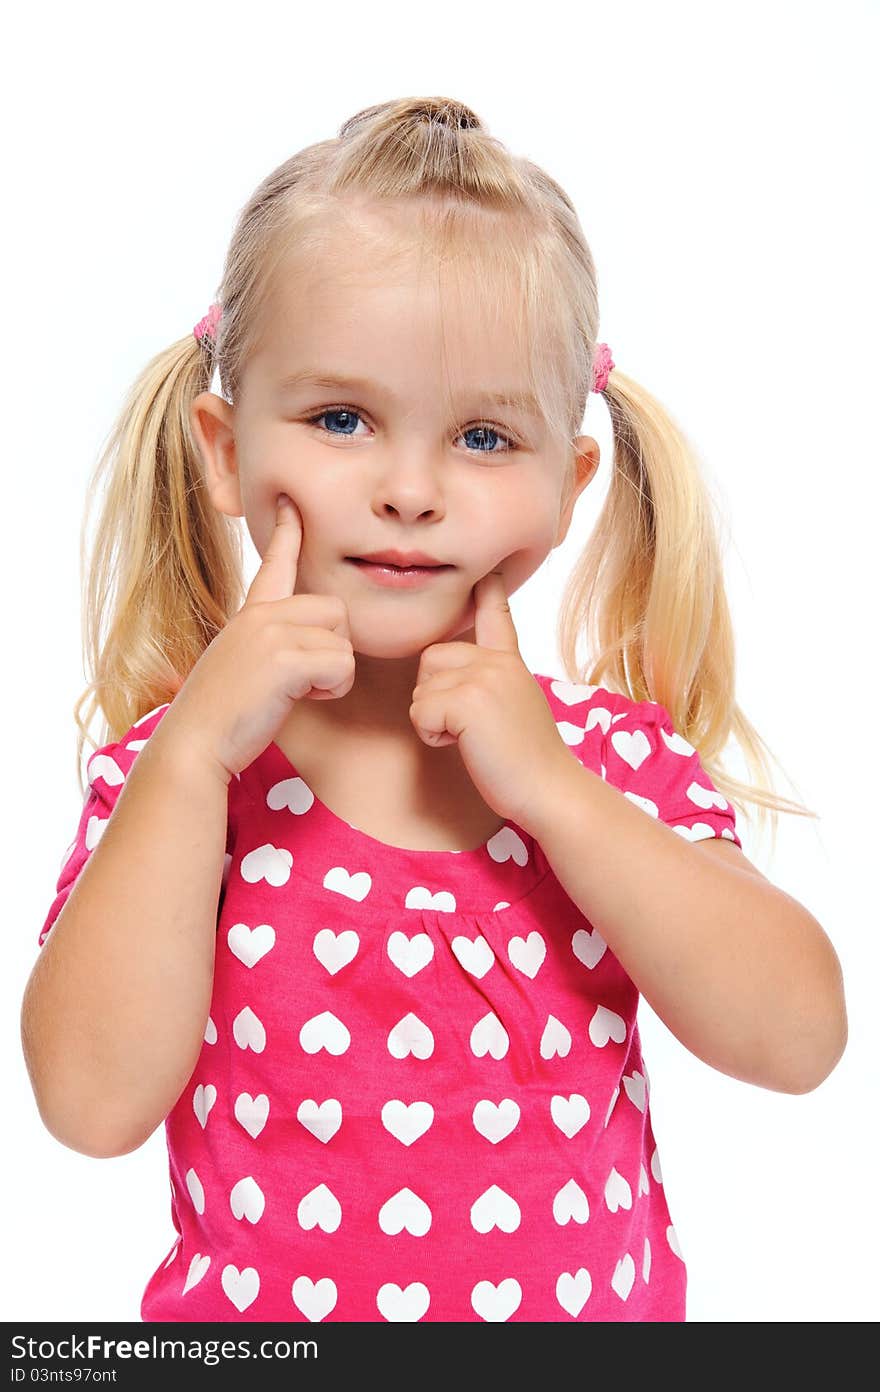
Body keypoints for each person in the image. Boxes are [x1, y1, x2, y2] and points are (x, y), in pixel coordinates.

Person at [20, 95, 847, 1324]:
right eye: (341, 419)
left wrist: (553, 792)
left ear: (566, 485)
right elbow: (89, 1106)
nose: (409, 491)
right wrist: (192, 759)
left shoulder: (612, 764)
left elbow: (796, 1042)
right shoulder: (174, 776)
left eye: (480, 435)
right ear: (222, 446)